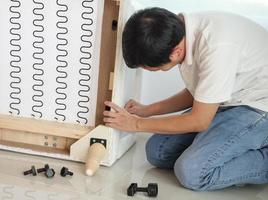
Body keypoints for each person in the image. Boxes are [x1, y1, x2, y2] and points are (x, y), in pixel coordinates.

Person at [103, 7, 268, 191]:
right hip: (229, 101)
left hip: (258, 107)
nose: (149, 70)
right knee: (157, 152)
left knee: (192, 172)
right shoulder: (181, 32)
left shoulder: (216, 46)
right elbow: (199, 93)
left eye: (151, 68)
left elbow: (199, 120)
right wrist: (147, 110)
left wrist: (136, 124)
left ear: (175, 52)